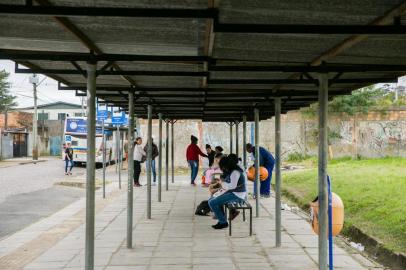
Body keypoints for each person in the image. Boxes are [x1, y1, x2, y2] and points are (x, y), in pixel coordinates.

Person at [208, 154, 247, 229]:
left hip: (238, 195)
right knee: (211, 200)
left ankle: (223, 222)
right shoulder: (232, 171)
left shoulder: (235, 172)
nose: (222, 169)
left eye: (222, 167)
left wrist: (222, 184)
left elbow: (232, 186)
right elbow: (228, 184)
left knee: (212, 202)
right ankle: (222, 219)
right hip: (233, 192)